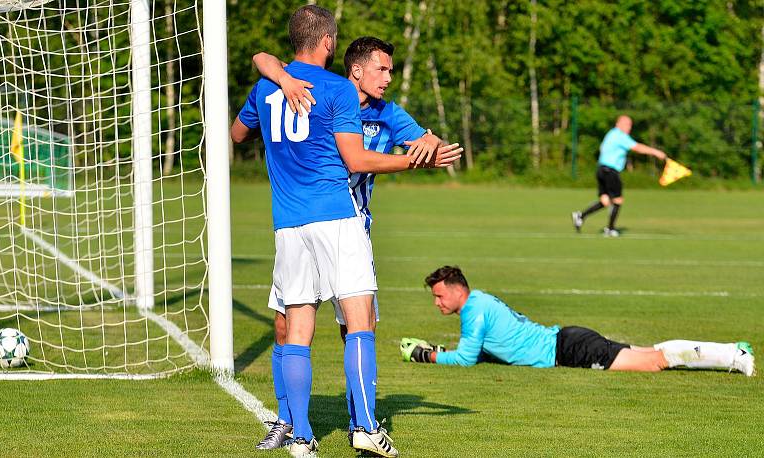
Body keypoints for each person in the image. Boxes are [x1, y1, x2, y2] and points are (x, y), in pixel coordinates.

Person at [231, 7, 458, 457]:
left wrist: (278, 78)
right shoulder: (336, 88)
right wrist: (419, 161)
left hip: (287, 223)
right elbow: (355, 160)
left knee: (297, 329)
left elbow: (237, 135)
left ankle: (300, 437)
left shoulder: (266, 87)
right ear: (330, 43)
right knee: (358, 323)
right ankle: (366, 430)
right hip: (336, 216)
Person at [401, 266, 755, 377]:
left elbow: (466, 357)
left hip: (571, 349)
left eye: (439, 295)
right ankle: (730, 352)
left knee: (654, 362)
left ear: (457, 290)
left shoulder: (473, 311)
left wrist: (425, 355)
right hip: (569, 341)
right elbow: (484, 351)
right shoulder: (479, 300)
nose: (437, 302)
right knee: (650, 354)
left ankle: (732, 355)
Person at [571, 115, 668, 237]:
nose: (629, 127)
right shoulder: (620, 136)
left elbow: (602, 148)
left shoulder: (611, 134)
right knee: (617, 200)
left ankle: (580, 216)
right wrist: (656, 152)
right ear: (618, 124)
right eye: (627, 124)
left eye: (630, 125)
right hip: (610, 171)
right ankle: (610, 229)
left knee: (605, 201)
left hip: (601, 169)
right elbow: (637, 147)